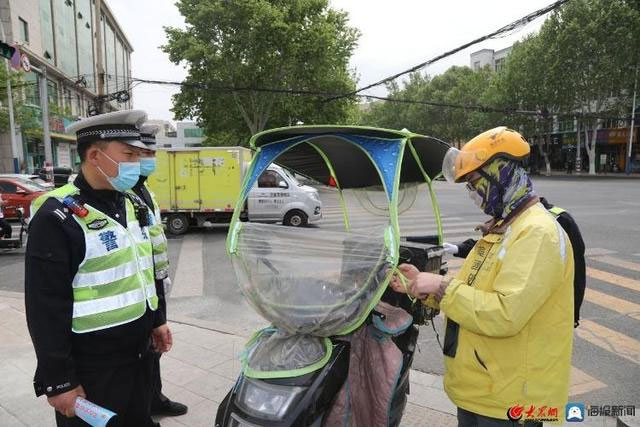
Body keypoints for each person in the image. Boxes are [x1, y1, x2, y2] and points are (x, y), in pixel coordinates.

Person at [391, 127, 574, 427]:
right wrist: (421, 285)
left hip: (514, 402)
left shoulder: (537, 233)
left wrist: (440, 286)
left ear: (501, 174)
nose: (474, 195)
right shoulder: (502, 229)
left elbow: (504, 313)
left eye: (476, 183)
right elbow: (472, 291)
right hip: (485, 392)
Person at [25, 110, 172, 427]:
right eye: (129, 154)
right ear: (95, 155)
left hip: (137, 355)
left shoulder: (130, 203)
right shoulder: (57, 216)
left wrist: (157, 320)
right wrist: (59, 380)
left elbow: (144, 268)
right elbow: (44, 305)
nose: (137, 162)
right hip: (92, 367)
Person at [132, 124, 188, 417]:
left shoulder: (144, 190)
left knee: (154, 351)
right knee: (142, 354)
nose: (149, 158)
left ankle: (155, 398)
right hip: (137, 290)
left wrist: (161, 281)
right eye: (143, 152)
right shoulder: (124, 191)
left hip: (154, 284)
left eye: (152, 152)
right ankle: (144, 406)